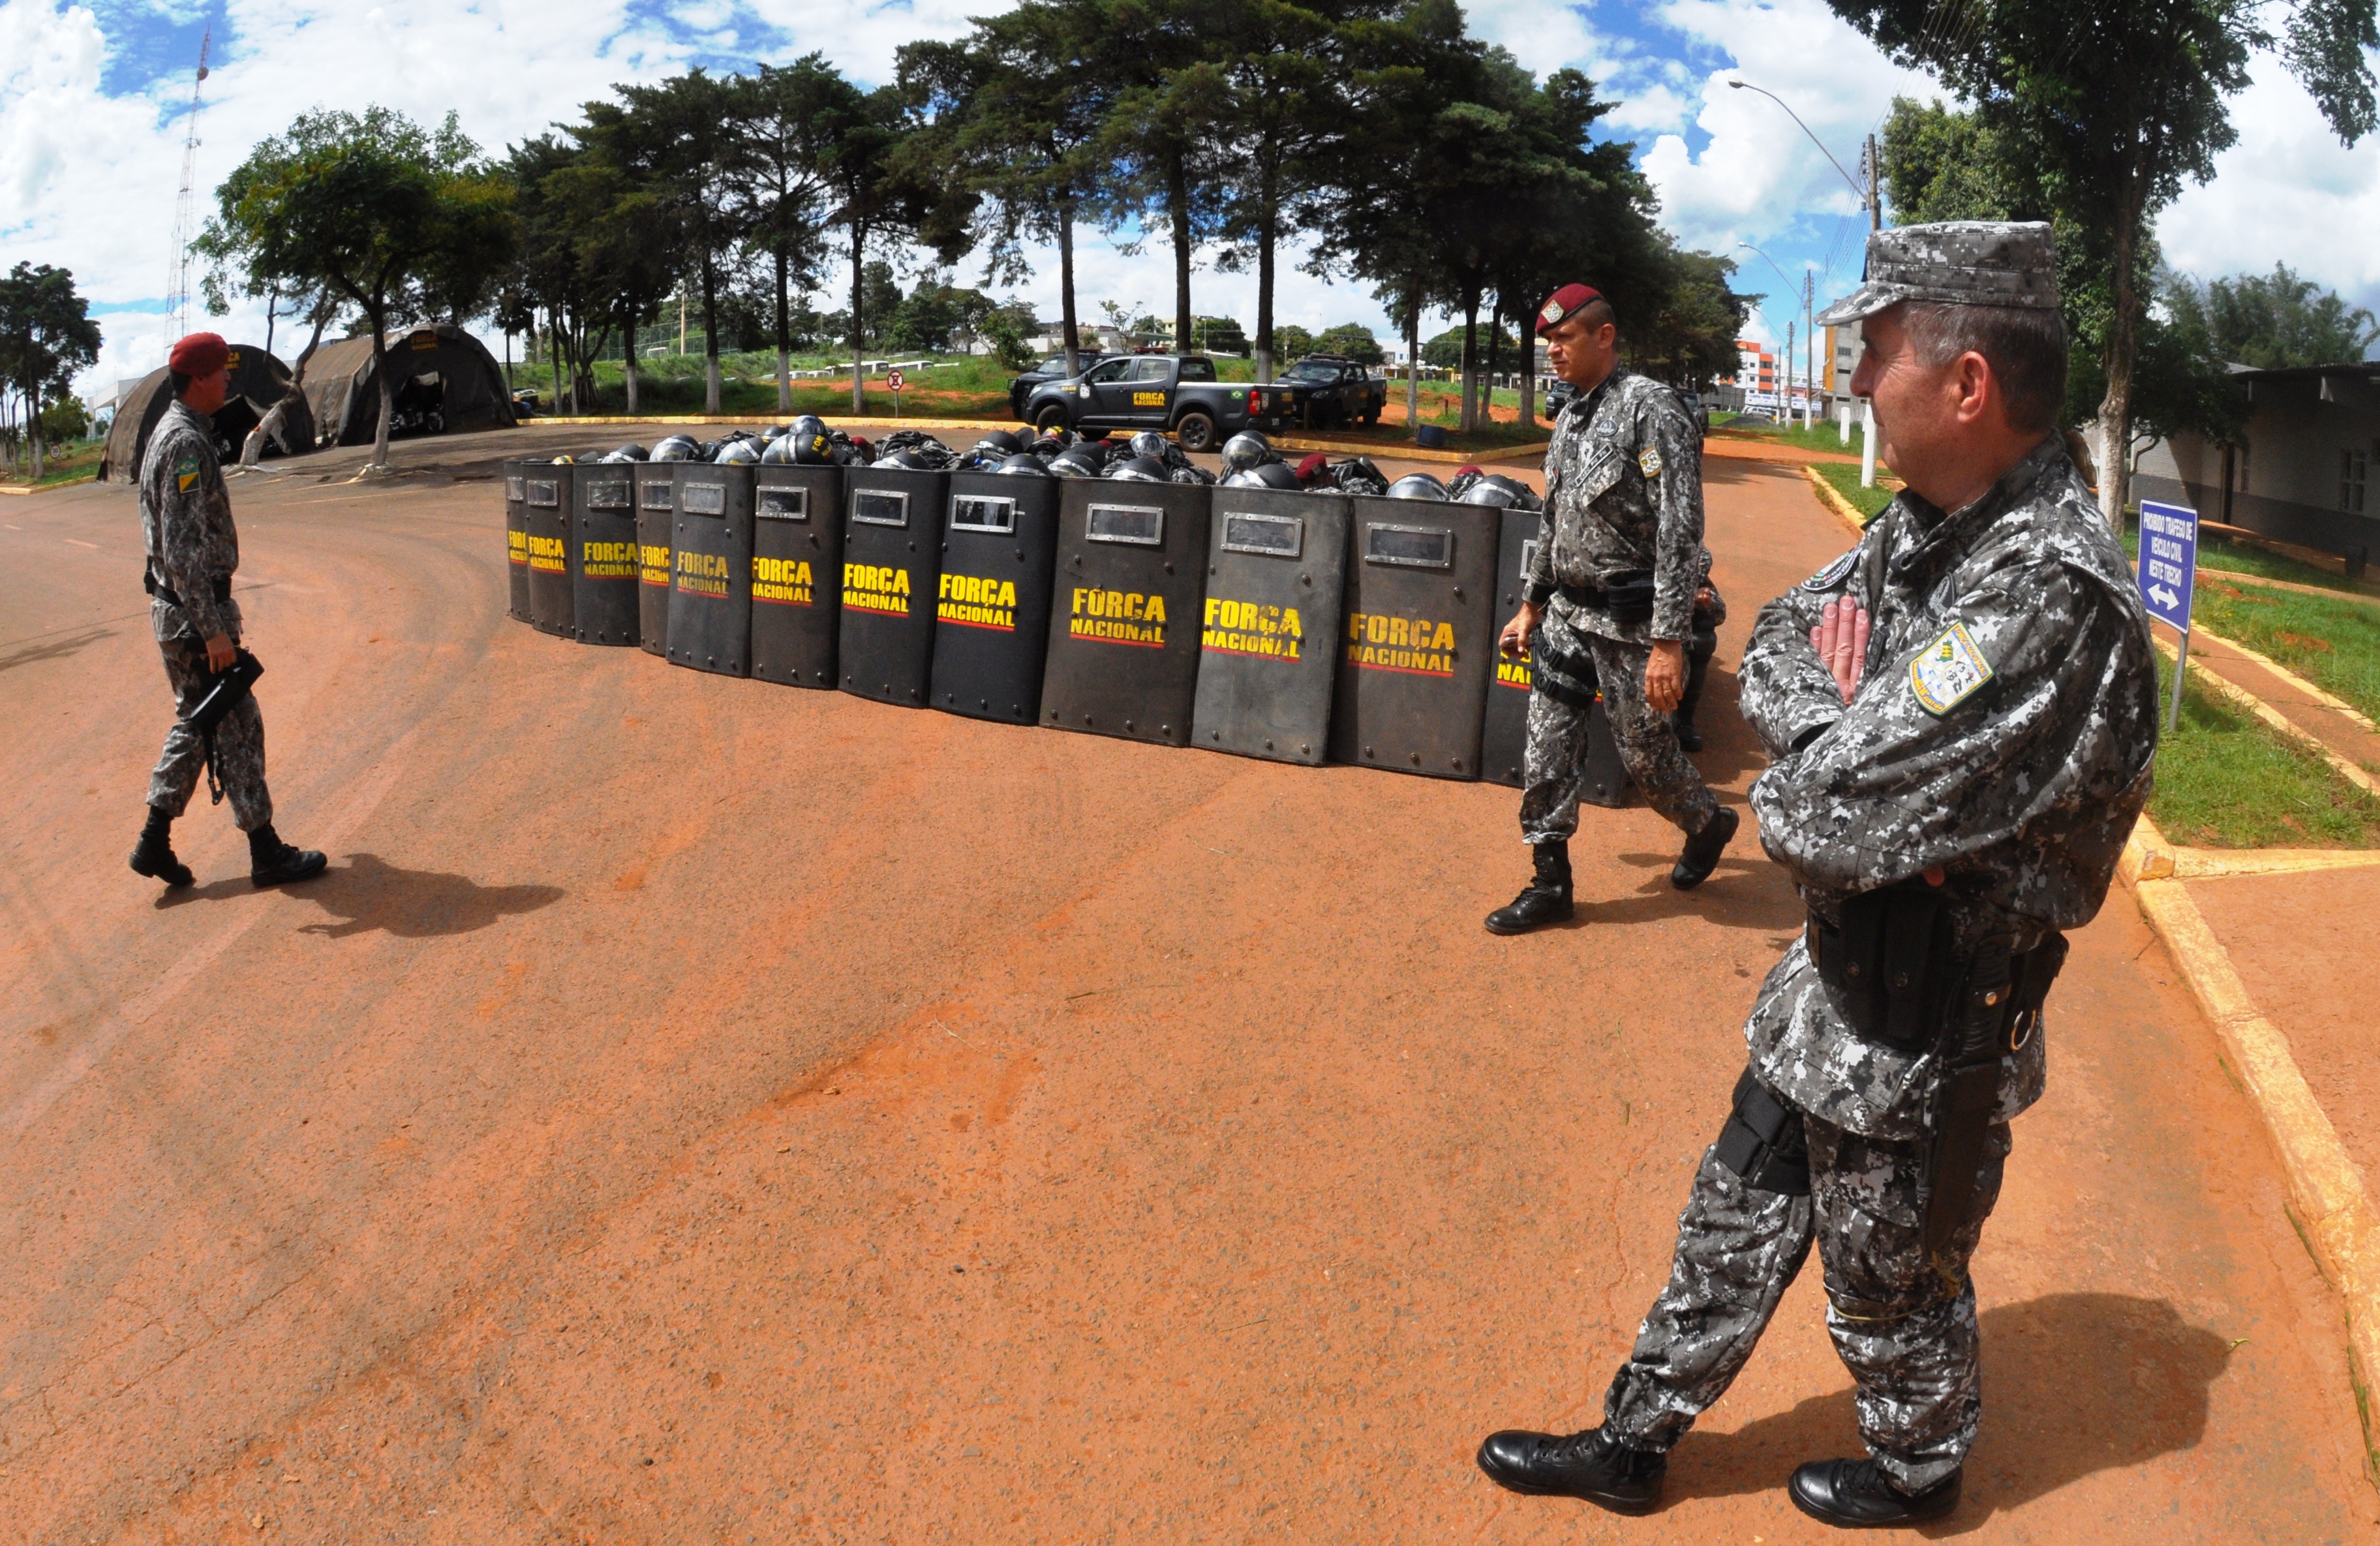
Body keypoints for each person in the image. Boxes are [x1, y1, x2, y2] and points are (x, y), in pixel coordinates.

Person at [1474, 223, 2159, 1526]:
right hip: (1834, 983)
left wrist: (1839, 744)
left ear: (1965, 383)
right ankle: (1637, 1435)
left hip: (1926, 1027)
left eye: (1878, 351)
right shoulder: (1932, 528)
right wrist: (1851, 712)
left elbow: (1810, 816)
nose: (1853, 382)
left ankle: (1920, 1468)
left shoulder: (2047, 599)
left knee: (1890, 1279)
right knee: (1731, 1202)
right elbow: (1788, 631)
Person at [1487, 283, 1735, 935]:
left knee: (1645, 758)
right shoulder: (1568, 417)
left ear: (1604, 337)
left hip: (1631, 625)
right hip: (1568, 615)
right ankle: (1550, 881)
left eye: (1562, 339)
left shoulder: (1652, 412)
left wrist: (1670, 640)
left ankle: (1706, 822)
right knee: (1546, 748)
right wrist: (1531, 605)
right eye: (1547, 343)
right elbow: (1553, 518)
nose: (1552, 353)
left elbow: (1680, 531)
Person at [127, 332, 326, 891]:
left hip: (176, 609)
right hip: (195, 613)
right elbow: (183, 545)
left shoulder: (169, 432)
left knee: (202, 722)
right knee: (236, 723)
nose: (229, 381)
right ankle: (265, 852)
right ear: (198, 381)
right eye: (221, 373)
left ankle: (154, 840)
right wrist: (214, 630)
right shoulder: (185, 443)